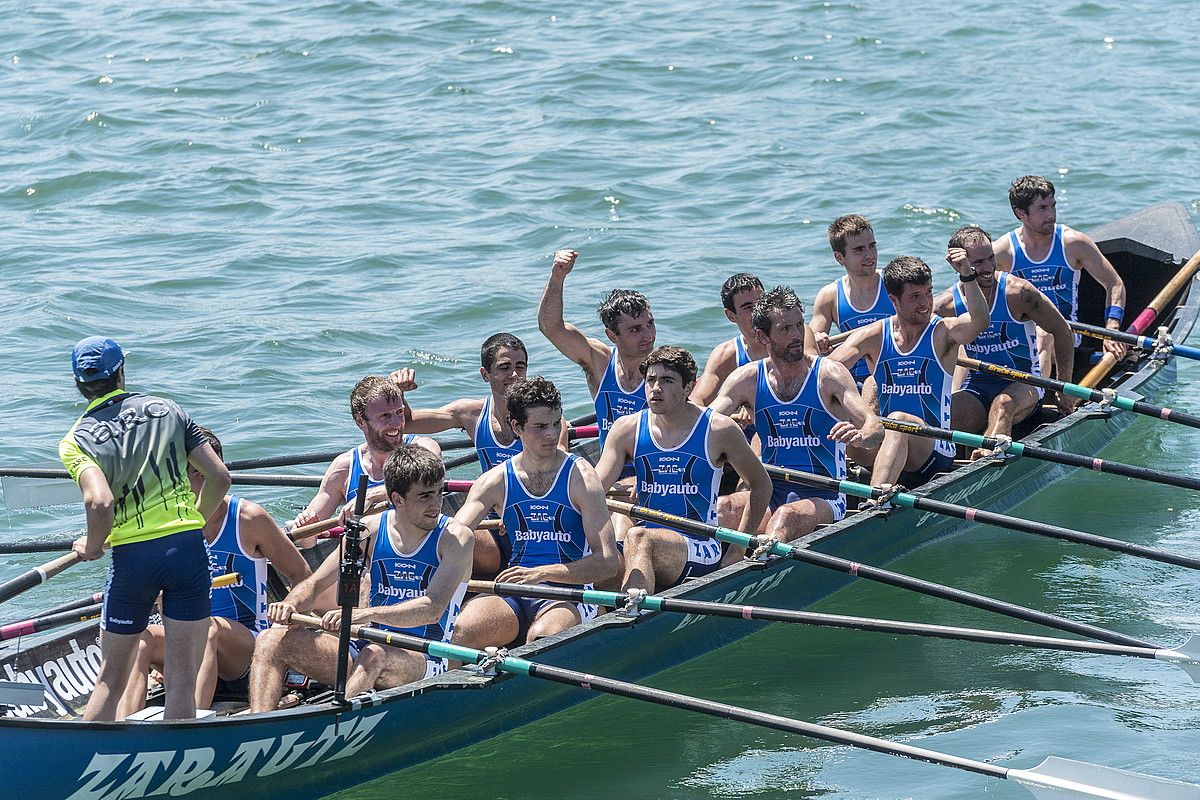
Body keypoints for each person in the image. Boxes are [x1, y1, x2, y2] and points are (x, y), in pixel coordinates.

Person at [60, 336, 231, 721]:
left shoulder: (75, 441)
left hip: (132, 560)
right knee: (183, 680)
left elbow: (100, 501)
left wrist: (92, 544)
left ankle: (87, 765)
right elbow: (219, 477)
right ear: (121, 372)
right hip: (186, 552)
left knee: (110, 680)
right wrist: (195, 520)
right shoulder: (169, 410)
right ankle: (178, 769)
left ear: (79, 384)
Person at [249, 445, 473, 712]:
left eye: (439, 492)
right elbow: (315, 583)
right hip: (364, 645)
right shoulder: (370, 530)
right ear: (397, 499)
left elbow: (432, 609)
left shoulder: (456, 539)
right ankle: (257, 723)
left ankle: (329, 723)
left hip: (424, 657)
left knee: (375, 655)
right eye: (424, 496)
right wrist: (291, 604)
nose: (436, 505)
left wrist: (365, 615)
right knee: (269, 640)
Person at [117, 426, 313, 717]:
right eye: (193, 472)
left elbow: (302, 575)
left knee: (207, 628)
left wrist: (290, 611)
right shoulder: (168, 524)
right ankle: (121, 731)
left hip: (246, 649)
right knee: (141, 636)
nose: (203, 479)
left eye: (208, 472)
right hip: (189, 643)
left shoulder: (248, 519)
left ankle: (185, 728)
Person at [451, 377, 619, 647]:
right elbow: (452, 537)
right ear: (516, 427)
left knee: (542, 639)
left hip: (570, 594)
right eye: (540, 427)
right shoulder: (496, 481)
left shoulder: (581, 478)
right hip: (515, 591)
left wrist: (542, 573)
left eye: (555, 423)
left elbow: (608, 563)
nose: (552, 435)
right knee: (459, 632)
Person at [595, 346, 772, 592]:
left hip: (700, 542)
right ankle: (599, 617)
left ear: (689, 387)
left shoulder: (719, 430)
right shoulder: (626, 428)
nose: (656, 388)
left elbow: (761, 485)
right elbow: (593, 490)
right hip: (650, 535)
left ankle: (632, 615)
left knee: (638, 538)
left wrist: (738, 549)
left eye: (667, 381)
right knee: (603, 561)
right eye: (651, 380)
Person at [712, 288, 882, 542]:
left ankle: (754, 566)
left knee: (786, 517)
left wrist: (860, 437)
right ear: (762, 336)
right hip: (771, 491)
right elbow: (702, 427)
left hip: (826, 495)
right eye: (784, 329)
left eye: (798, 326)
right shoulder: (746, 379)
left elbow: (875, 427)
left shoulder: (828, 375)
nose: (796, 336)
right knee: (721, 509)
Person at [395, 333, 569, 577]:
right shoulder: (471, 414)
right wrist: (398, 392)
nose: (515, 375)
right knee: (441, 530)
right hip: (491, 524)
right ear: (485, 374)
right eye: (504, 368)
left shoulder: (548, 423)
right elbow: (406, 423)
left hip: (538, 523)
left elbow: (559, 479)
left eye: (520, 367)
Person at [833, 256, 989, 488]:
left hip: (934, 449)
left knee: (898, 421)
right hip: (883, 443)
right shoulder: (875, 335)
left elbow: (980, 321)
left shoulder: (943, 332)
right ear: (893, 300)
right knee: (840, 425)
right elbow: (825, 371)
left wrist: (967, 275)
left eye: (928, 292)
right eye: (915, 297)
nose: (926, 303)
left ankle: (874, 502)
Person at [934, 226, 1078, 458]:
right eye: (978, 262)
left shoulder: (1019, 293)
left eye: (991, 258)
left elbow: (1062, 330)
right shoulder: (946, 305)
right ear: (957, 265)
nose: (989, 268)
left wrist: (1065, 388)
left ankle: (986, 457)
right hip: (978, 384)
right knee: (942, 416)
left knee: (1003, 404)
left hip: (1026, 382)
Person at [993, 175, 1128, 373]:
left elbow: (1114, 283)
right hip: (1021, 337)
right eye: (1042, 208)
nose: (1051, 214)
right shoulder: (1003, 252)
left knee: (1044, 333)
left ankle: (1038, 396)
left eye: (1052, 206)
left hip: (1067, 334)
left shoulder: (1073, 243)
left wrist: (1112, 329)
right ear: (1021, 213)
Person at [292, 375, 441, 532]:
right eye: (385, 416)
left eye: (399, 412)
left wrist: (370, 497)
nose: (397, 424)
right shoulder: (344, 468)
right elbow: (308, 539)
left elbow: (426, 482)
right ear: (360, 421)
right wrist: (305, 528)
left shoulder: (423, 447)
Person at [537, 249, 656, 445]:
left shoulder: (667, 367)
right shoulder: (599, 361)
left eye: (650, 324)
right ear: (612, 335)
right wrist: (557, 276)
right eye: (635, 330)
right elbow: (550, 328)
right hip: (609, 470)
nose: (648, 335)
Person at [810, 214, 896, 382]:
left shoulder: (895, 283)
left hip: (894, 377)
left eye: (872, 246)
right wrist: (816, 339)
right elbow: (809, 345)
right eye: (859, 250)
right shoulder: (830, 296)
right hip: (852, 383)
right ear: (839, 257)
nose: (870, 255)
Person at [692, 274, 768, 405]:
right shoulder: (726, 355)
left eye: (761, 303)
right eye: (748, 307)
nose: (758, 311)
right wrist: (732, 416)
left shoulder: (795, 335)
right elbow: (697, 401)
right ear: (731, 316)